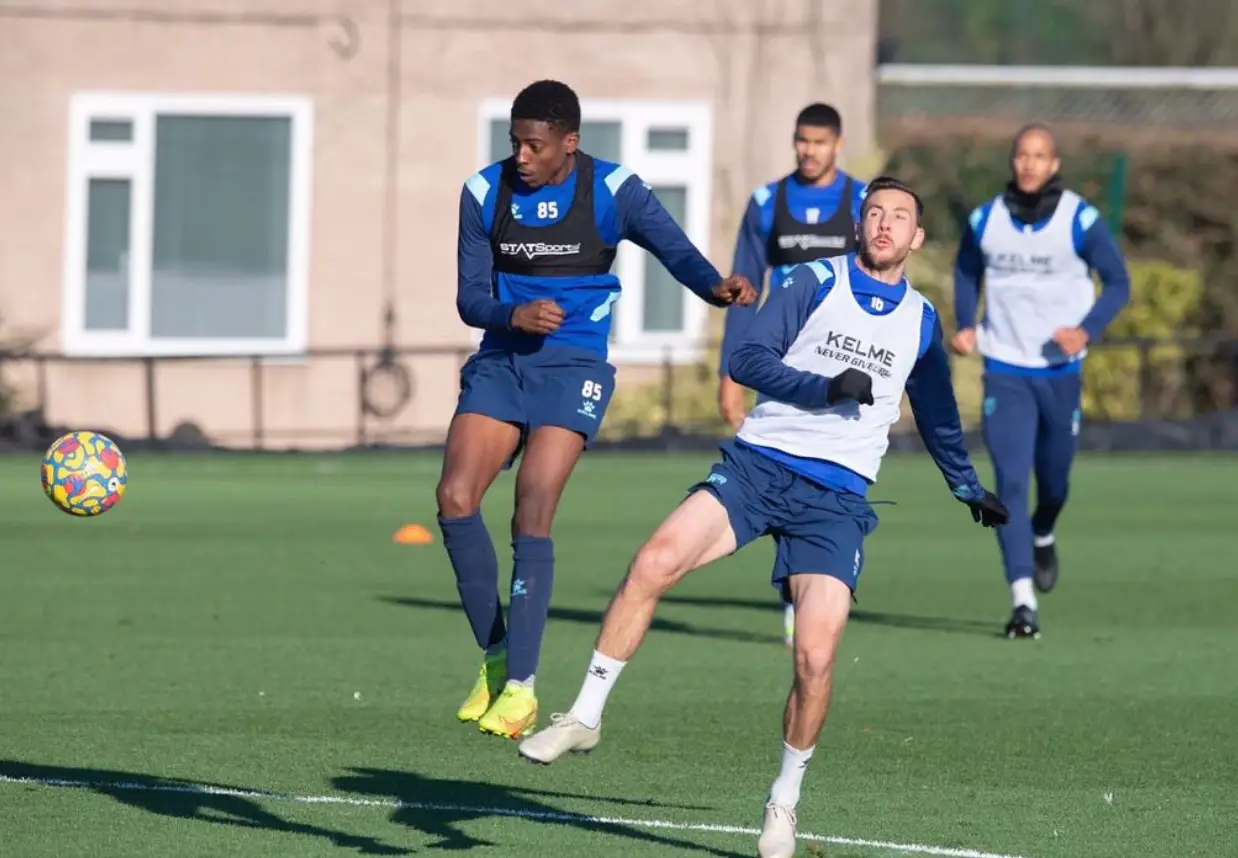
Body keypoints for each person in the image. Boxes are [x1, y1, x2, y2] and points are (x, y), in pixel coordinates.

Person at [516, 176, 1010, 858]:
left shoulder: (922, 320)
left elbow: (938, 412)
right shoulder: (813, 280)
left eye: (900, 217)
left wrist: (966, 485)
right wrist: (822, 388)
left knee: (814, 654)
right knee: (652, 562)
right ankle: (586, 715)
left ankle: (784, 800)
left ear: (918, 237)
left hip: (834, 502)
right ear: (858, 225)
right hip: (757, 469)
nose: (886, 225)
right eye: (875, 213)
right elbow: (748, 358)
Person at [437, 79, 756, 741]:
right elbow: (470, 299)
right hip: (502, 358)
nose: (521, 155)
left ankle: (522, 689)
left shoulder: (614, 192)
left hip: (574, 365)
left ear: (570, 144)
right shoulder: (482, 194)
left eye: (535, 144)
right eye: (514, 142)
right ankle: (495, 655)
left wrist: (716, 287)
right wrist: (511, 314)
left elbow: (674, 250)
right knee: (455, 498)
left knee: (533, 504)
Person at [951, 122, 1130, 640]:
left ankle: (1045, 529)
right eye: (1021, 155)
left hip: (1059, 371)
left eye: (1039, 156)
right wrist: (966, 323)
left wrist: (1086, 330)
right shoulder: (986, 219)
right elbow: (966, 270)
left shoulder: (1081, 219)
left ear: (1054, 164)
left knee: (1053, 482)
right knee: (1008, 481)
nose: (1029, 164)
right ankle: (1022, 600)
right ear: (1012, 161)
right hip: (1004, 368)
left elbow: (1118, 282)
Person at [716, 102, 867, 646]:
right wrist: (730, 370)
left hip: (845, 366)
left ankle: (819, 583)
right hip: (781, 365)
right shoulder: (766, 203)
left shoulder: (861, 202)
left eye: (820, 142)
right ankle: (792, 594)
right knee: (778, 468)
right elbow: (743, 292)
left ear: (838, 144)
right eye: (802, 140)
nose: (810, 151)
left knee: (828, 477)